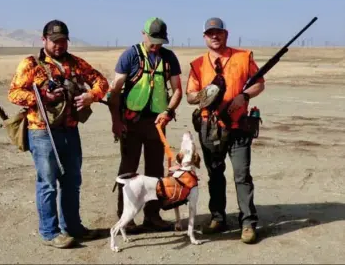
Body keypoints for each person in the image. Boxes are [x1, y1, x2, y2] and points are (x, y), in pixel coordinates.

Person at [8, 19, 109, 248]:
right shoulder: (31, 64)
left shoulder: (76, 63)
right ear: (44, 40)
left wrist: (90, 96)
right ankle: (50, 232)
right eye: (54, 41)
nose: (59, 46)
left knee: (72, 181)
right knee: (48, 183)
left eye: (63, 41)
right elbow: (14, 93)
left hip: (70, 130)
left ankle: (73, 227)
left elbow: (101, 81)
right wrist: (42, 97)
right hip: (42, 132)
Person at [186, 17, 265, 244]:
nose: (214, 36)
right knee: (215, 174)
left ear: (225, 34)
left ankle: (248, 223)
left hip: (239, 127)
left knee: (241, 175)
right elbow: (190, 95)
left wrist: (245, 95)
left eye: (218, 32)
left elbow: (260, 82)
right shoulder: (198, 64)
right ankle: (218, 218)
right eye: (210, 33)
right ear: (204, 37)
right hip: (210, 128)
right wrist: (203, 96)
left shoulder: (243, 57)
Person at [108, 17, 183, 232]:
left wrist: (169, 111)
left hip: (157, 123)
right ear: (143, 34)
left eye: (160, 40)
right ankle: (126, 219)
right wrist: (116, 121)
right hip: (130, 123)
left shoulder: (169, 58)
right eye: (153, 39)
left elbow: (177, 89)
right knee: (128, 171)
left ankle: (152, 216)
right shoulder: (130, 55)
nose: (156, 44)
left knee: (155, 171)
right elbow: (115, 91)